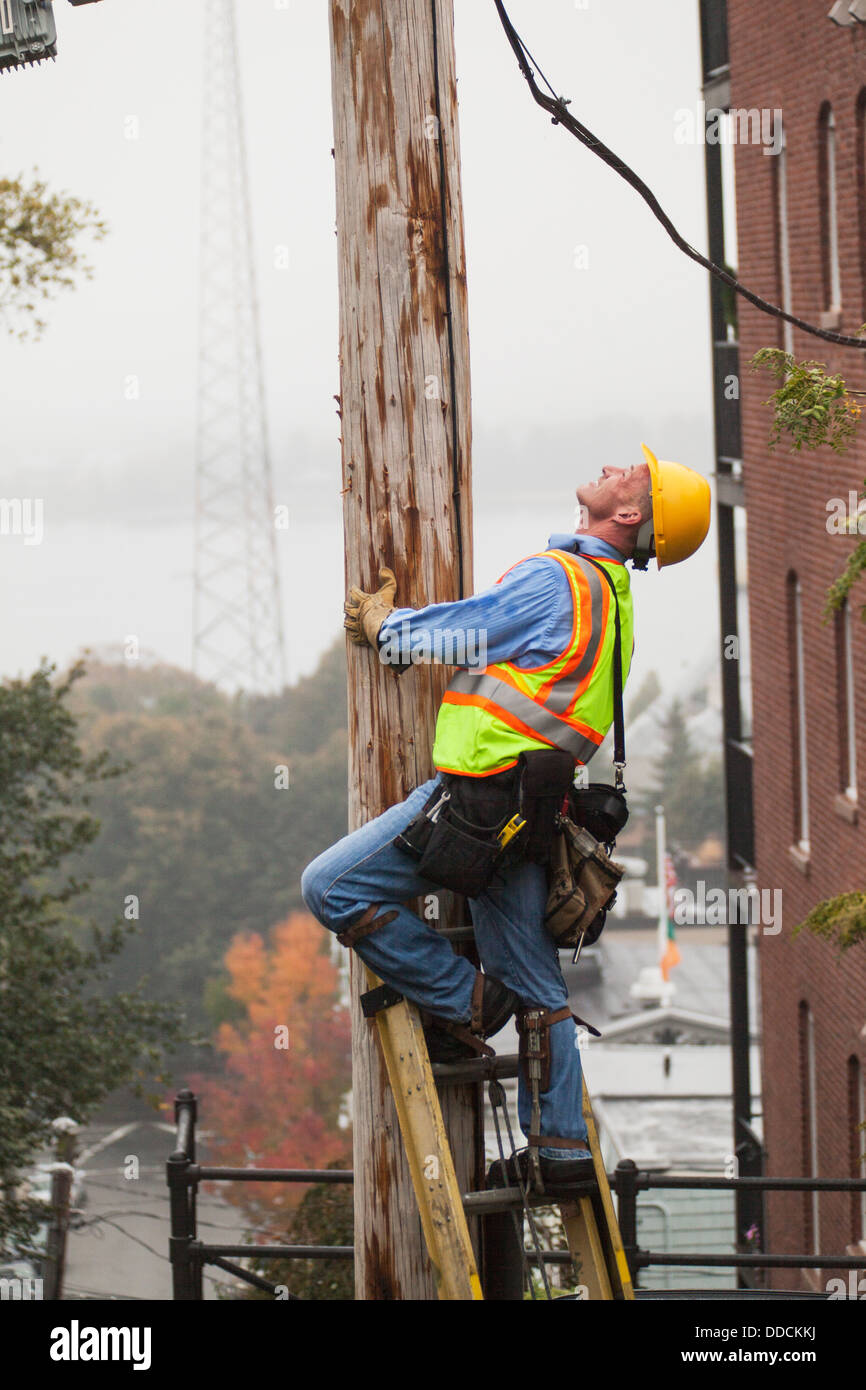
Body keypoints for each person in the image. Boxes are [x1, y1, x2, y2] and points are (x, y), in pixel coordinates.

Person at [301, 444, 710, 1191]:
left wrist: (385, 625)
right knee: (540, 987)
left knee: (330, 886)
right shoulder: (612, 599)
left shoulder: (560, 580)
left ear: (628, 513)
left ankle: (465, 1001)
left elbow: (458, 632)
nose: (617, 465)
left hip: (475, 805)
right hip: (532, 818)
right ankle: (560, 1152)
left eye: (633, 475)